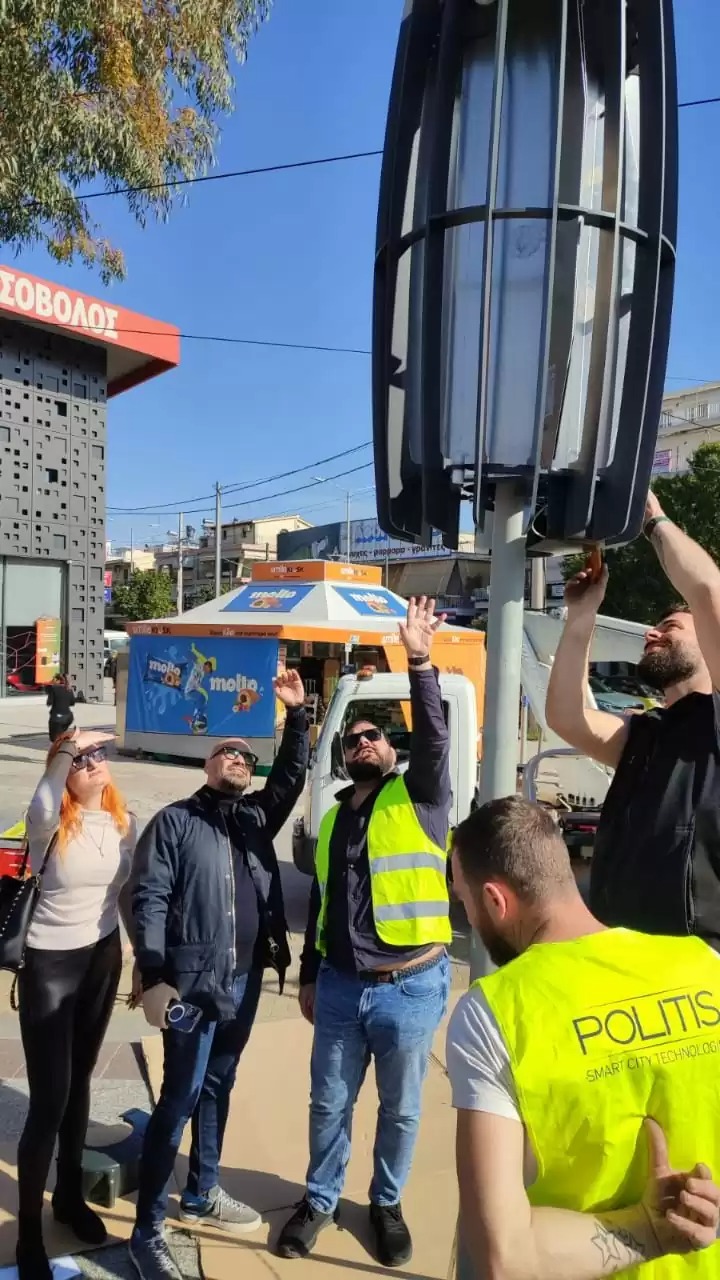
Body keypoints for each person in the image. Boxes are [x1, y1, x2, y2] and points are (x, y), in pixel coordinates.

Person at [447, 795, 720, 1279]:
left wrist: (648, 1230)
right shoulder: (704, 963)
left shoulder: (494, 1012)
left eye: (464, 902)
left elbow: (503, 1258)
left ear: (495, 901)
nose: (469, 918)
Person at [277, 597, 452, 1268]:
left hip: (410, 986)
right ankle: (320, 1200)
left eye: (372, 736)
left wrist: (420, 661)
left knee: (401, 1109)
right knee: (328, 1103)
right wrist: (310, 974)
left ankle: (386, 1203)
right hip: (342, 988)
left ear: (390, 748)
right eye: (351, 740)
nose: (361, 744)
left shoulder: (421, 795)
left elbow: (433, 737)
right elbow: (324, 903)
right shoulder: (334, 821)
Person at [129, 669, 309, 1280]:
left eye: (246, 757)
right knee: (179, 1095)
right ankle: (147, 1229)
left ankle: (202, 1192)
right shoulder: (175, 822)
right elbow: (149, 899)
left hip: (245, 980)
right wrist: (154, 972)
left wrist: (298, 717)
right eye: (227, 752)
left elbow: (291, 777)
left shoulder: (256, 818)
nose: (237, 759)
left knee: (219, 1083)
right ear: (207, 765)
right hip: (191, 984)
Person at [546, 490, 720, 944]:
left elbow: (708, 592)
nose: (651, 633)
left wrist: (653, 520)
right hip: (624, 950)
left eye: (670, 627)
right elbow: (567, 716)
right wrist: (581, 616)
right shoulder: (647, 733)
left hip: (700, 960)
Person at [17, 730, 137, 1280]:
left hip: (101, 957)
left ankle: (68, 1197)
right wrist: (67, 743)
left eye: (97, 755)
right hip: (50, 963)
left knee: (81, 1082)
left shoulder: (121, 820)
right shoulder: (48, 823)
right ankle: (28, 1234)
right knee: (49, 1100)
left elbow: (125, 893)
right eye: (81, 759)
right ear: (62, 771)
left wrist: (139, 954)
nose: (93, 763)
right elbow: (43, 801)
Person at [46, 673, 75, 742]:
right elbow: (72, 703)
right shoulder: (69, 689)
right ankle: (62, 737)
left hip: (56, 718)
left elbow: (49, 703)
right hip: (68, 717)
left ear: (58, 680)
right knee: (61, 730)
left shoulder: (54, 689)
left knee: (54, 737)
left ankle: (57, 741)